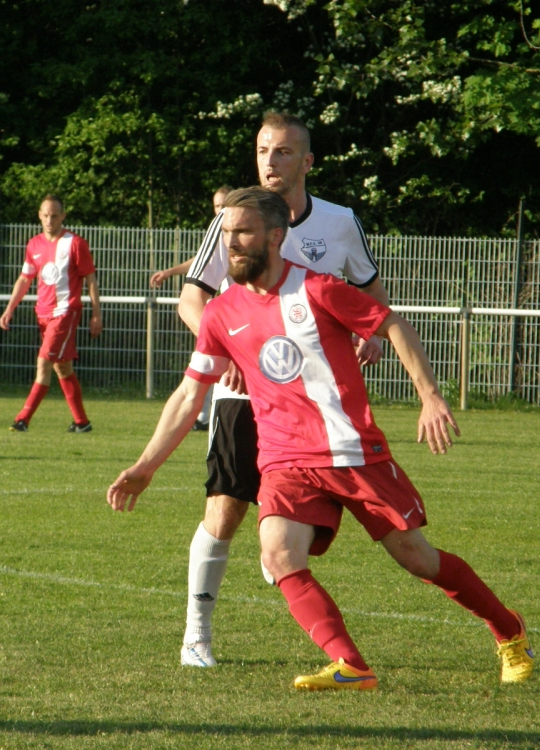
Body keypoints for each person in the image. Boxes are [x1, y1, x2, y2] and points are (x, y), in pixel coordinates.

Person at [108, 187, 534, 691]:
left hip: (353, 452)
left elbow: (391, 322)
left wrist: (430, 396)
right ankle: (351, 665)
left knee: (417, 558)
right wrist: (145, 465)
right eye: (226, 234)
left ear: (275, 236)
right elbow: (187, 395)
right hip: (286, 460)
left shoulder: (318, 290)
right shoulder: (221, 314)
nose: (232, 245)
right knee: (278, 554)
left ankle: (509, 630)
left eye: (242, 232)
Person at [175, 112, 388, 668]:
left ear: (307, 161)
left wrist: (376, 335)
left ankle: (329, 636)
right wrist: (229, 349)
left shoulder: (340, 223)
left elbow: (371, 293)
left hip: (318, 409)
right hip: (244, 395)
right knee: (224, 511)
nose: (271, 161)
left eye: (284, 151)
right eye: (264, 150)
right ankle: (197, 632)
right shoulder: (233, 219)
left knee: (307, 539)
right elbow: (191, 298)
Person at [0, 195, 103, 432]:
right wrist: (9, 309)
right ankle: (82, 423)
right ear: (39, 215)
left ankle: (22, 419)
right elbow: (25, 279)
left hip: (65, 312)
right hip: (43, 314)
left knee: (43, 362)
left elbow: (91, 279)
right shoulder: (34, 244)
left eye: (54, 215)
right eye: (45, 215)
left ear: (63, 216)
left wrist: (96, 313)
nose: (49, 220)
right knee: (62, 367)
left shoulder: (75, 243)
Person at [149, 186, 232, 432]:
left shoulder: (241, 232)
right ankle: (204, 416)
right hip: (220, 318)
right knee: (204, 365)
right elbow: (199, 262)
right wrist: (170, 272)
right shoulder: (218, 231)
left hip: (242, 319)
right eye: (217, 206)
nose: (222, 209)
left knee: (207, 368)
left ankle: (205, 416)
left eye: (225, 203)